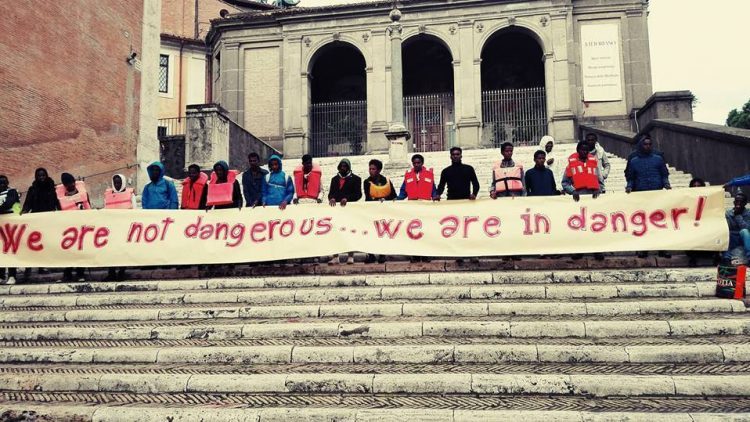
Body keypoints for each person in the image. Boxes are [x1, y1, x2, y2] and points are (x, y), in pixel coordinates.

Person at [625, 136, 672, 259]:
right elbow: (631, 177)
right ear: (641, 145)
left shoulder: (658, 159)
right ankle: (644, 249)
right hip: (642, 196)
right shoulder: (634, 161)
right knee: (643, 223)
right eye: (645, 144)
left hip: (657, 195)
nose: (648, 146)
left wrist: (666, 183)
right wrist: (629, 186)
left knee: (660, 223)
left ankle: (663, 249)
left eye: (650, 144)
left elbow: (664, 174)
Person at [562, 141, 604, 261]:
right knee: (579, 225)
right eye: (582, 150)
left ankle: (597, 251)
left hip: (593, 199)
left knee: (594, 225)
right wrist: (573, 191)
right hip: (578, 199)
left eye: (586, 150)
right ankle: (579, 250)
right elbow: (564, 183)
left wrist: (598, 189)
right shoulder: (571, 165)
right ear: (578, 150)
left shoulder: (593, 163)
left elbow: (600, 180)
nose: (584, 152)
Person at [21, 168, 59, 281]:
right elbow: (28, 202)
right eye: (39, 176)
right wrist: (24, 211)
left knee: (45, 243)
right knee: (33, 244)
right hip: (36, 220)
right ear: (36, 177)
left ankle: (42, 266)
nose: (41, 177)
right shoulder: (32, 189)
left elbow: (56, 201)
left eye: (43, 175)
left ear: (46, 175)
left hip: (48, 220)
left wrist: (61, 212)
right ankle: (28, 268)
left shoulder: (52, 187)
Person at [57, 173, 91, 282]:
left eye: (72, 183)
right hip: (68, 229)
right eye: (68, 184)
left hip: (81, 227)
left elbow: (88, 208)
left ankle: (80, 273)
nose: (71, 185)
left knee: (80, 251)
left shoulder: (82, 193)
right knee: (68, 252)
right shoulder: (61, 197)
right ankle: (67, 274)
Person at [328, 158, 362, 264]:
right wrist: (332, 198)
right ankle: (335, 256)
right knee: (335, 233)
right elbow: (330, 193)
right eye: (341, 166)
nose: (343, 168)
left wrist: (347, 199)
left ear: (348, 167)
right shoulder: (334, 179)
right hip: (337, 210)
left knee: (349, 232)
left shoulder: (356, 179)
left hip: (349, 210)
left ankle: (350, 256)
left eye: (345, 166)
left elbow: (358, 194)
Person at [363, 159, 396, 264]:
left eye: (373, 169)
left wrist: (385, 199)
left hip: (383, 211)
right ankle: (371, 255)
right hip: (371, 211)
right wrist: (376, 200)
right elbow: (368, 196)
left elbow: (393, 195)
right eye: (370, 169)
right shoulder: (366, 182)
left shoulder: (386, 180)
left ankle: (382, 254)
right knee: (371, 233)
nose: (371, 171)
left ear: (379, 170)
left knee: (382, 233)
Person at [0, 175, 20, 285]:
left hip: (10, 225)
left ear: (7, 183)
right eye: (0, 183)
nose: (2, 185)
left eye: (4, 182)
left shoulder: (12, 192)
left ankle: (12, 275)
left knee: (11, 250)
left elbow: (9, 203)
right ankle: (1, 276)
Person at [724, 192, 750, 263]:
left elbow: (747, 228)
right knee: (726, 233)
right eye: (737, 201)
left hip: (744, 237)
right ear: (734, 202)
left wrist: (738, 216)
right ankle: (726, 258)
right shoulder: (728, 213)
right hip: (733, 237)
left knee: (744, 231)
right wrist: (733, 215)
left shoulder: (748, 213)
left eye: (741, 201)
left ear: (745, 203)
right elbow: (727, 227)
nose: (738, 203)